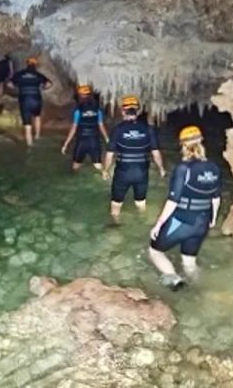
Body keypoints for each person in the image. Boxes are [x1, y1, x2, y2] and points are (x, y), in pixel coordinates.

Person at [149, 125, 222, 290]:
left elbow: (173, 200)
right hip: (202, 222)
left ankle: (174, 280)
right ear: (201, 142)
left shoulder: (183, 168)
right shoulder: (214, 167)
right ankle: (204, 290)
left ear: (183, 146)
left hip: (182, 220)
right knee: (189, 263)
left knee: (155, 251)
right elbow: (216, 198)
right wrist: (213, 219)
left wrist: (158, 224)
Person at [102, 95, 166, 225]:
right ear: (137, 111)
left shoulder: (118, 130)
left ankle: (115, 226)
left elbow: (109, 154)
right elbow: (156, 153)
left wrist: (105, 170)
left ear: (123, 111)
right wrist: (161, 169)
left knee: (116, 204)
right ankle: (143, 224)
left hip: (123, 172)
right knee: (141, 203)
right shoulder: (148, 129)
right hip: (141, 173)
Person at [60, 84, 109, 171]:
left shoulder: (78, 110)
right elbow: (101, 125)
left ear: (80, 96)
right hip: (94, 140)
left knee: (75, 167)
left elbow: (74, 128)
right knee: (98, 166)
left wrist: (66, 144)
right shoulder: (97, 109)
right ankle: (105, 175)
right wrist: (107, 138)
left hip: (82, 140)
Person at [10, 57, 52, 147]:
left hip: (24, 99)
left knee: (27, 124)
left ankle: (30, 145)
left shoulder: (19, 74)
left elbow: (9, 84)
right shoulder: (38, 75)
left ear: (27, 64)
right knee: (37, 116)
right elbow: (49, 84)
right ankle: (37, 136)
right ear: (35, 65)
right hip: (36, 98)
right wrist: (43, 88)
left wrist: (18, 87)